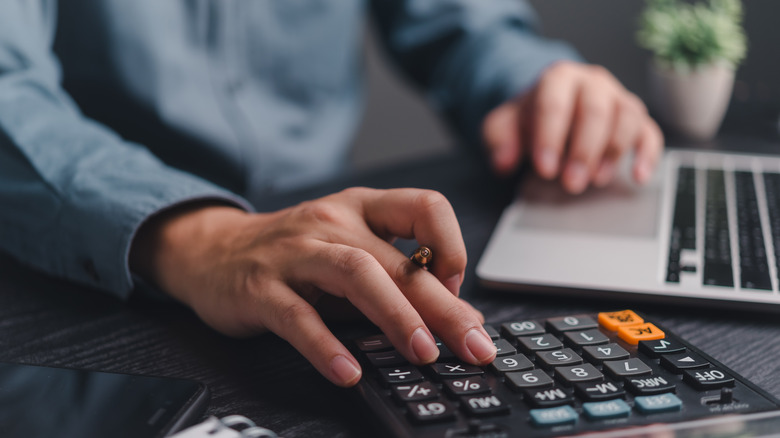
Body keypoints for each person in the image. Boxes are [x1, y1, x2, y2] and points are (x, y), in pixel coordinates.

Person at [0, 1, 662, 387]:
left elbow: (465, 25)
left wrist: (536, 84)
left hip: (334, 258)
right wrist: (203, 235)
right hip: (73, 283)